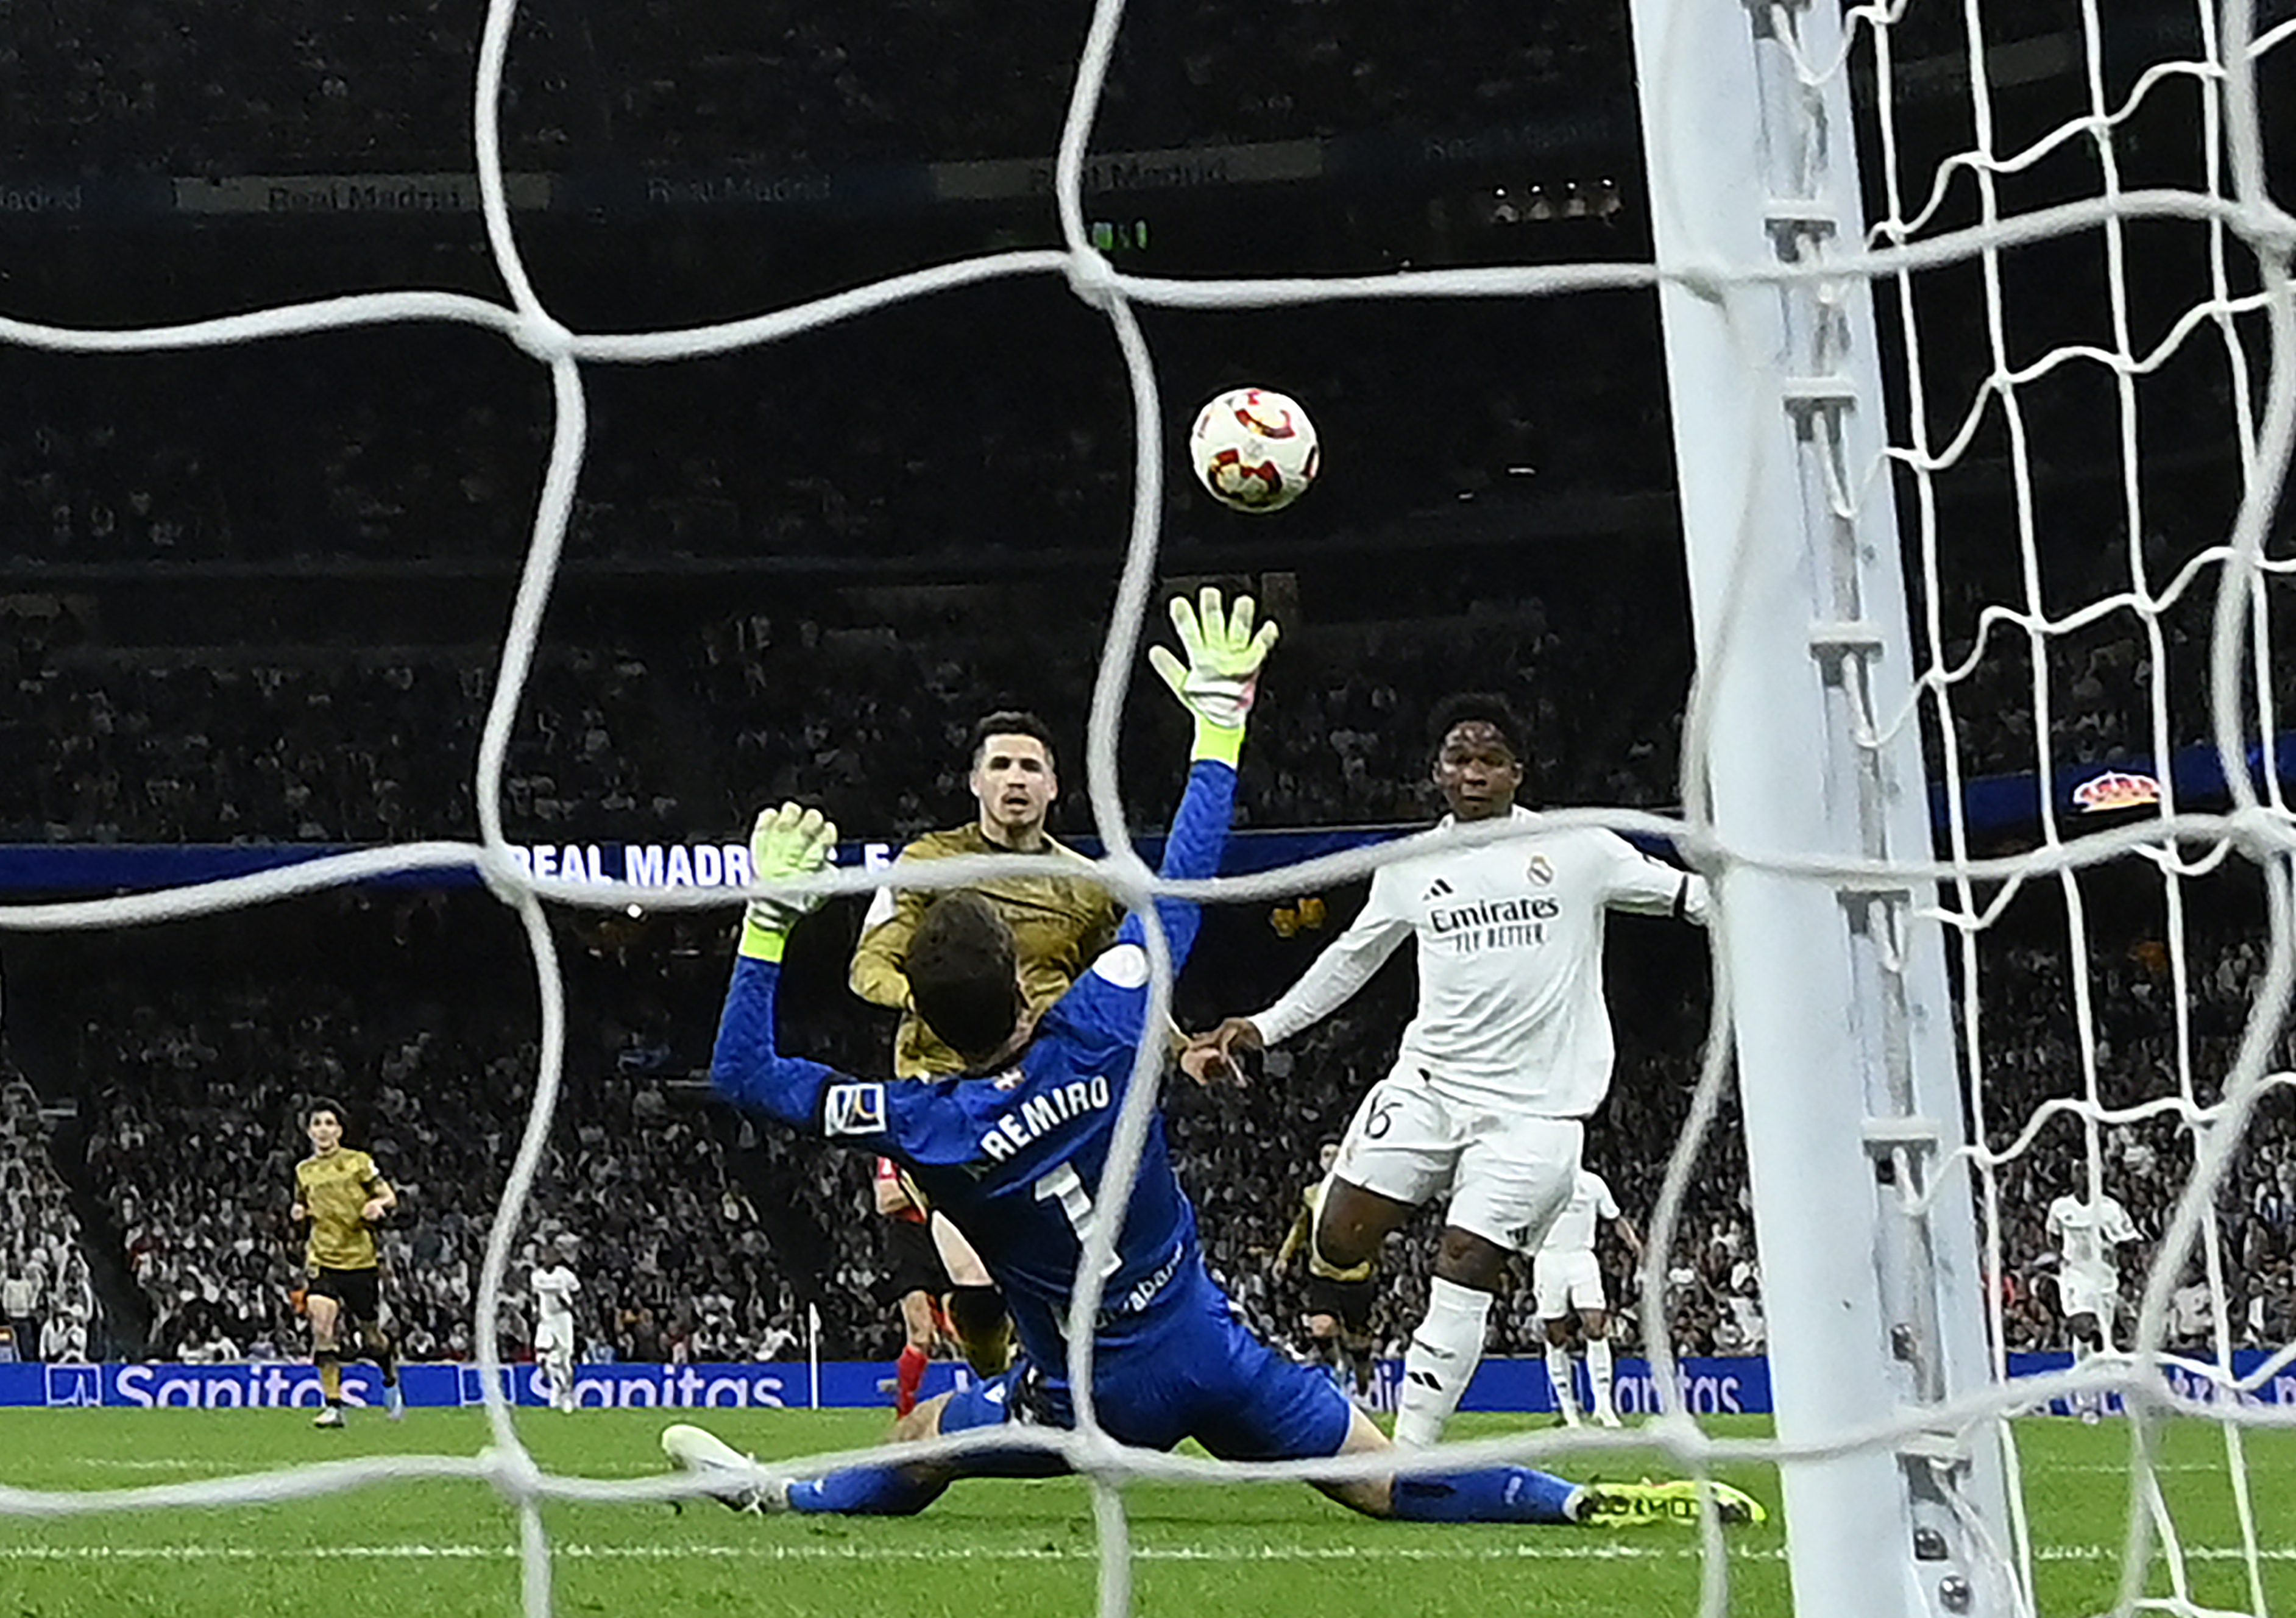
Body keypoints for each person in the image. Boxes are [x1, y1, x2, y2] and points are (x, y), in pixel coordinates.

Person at [670, 592, 1762, 1531]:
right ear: (1022, 975)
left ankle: (785, 1499)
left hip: (1090, 1402)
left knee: (921, 1439)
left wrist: (767, 922)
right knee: (1379, 1478)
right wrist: (1219, 725)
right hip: (1207, 1347)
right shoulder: (1100, 1023)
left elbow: (745, 1078)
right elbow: (1186, 882)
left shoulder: (917, 1121)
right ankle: (1559, 1500)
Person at [1185, 694, 1709, 1447]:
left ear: (1516, 772)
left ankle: (1409, 1449)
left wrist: (1749, 894)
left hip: (1537, 1112)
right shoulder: (1412, 866)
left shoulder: (1580, 849)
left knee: (1464, 1258)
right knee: (1338, 1238)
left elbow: (1689, 898)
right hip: (1428, 1087)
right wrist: (1262, 1025)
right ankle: (1348, 1319)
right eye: (1459, 759)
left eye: (1489, 759)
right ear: (1437, 772)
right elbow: (1351, 958)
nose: (1472, 772)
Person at [849, 709, 1126, 1374]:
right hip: (945, 1094)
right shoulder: (927, 863)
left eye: (1030, 766)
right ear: (975, 781)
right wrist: (941, 1001)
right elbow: (868, 969)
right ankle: (994, 1371)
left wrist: (1182, 1049)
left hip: (1048, 1095)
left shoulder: (1086, 886)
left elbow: (1121, 984)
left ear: (1055, 787)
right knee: (975, 1275)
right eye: (1000, 765)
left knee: (1064, 1269)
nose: (1015, 779)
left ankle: (1042, 1384)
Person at [290, 1099, 404, 1428]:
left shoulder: (359, 1163)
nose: (323, 1130)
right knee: (322, 1326)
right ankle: (334, 1406)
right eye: (317, 1124)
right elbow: (302, 1205)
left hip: (359, 1260)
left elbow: (389, 1196)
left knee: (371, 1337)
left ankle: (389, 1377)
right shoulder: (304, 1171)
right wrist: (298, 1213)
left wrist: (378, 1205)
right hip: (322, 1259)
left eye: (329, 1123)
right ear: (309, 1131)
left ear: (339, 1130)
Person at [1533, 1165, 1642, 1428]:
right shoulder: (1540, 1182)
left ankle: (1604, 1406)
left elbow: (1614, 1217)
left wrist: (1633, 1242)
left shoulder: (1593, 1184)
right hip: (1550, 1258)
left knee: (1596, 1326)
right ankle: (1569, 1409)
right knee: (1556, 1335)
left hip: (1582, 1258)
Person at [1274, 1141, 1378, 1401]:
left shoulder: (1359, 1191)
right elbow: (1301, 1228)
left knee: (1358, 1338)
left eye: (1335, 1154)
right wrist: (1284, 1256)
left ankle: (1361, 1365)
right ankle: (1337, 1367)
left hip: (1356, 1274)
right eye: (1326, 1155)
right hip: (1321, 1272)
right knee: (1320, 1327)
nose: (1330, 1159)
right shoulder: (1312, 1194)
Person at [2045, 1182, 2138, 1421]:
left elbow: (2129, 1241)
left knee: (2098, 1344)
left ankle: (2124, 1389)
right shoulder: (2061, 1206)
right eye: (2077, 1169)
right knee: (2083, 1328)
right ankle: (2087, 1405)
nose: (2081, 1175)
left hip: (2105, 1280)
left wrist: (2126, 1269)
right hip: (2074, 1276)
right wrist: (2060, 1258)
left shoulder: (2110, 1208)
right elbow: (2053, 1234)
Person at [874, 1156, 948, 1418]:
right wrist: (928, 1190)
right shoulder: (892, 1156)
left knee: (962, 1329)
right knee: (921, 1333)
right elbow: (885, 1201)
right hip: (908, 1242)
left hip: (941, 1235)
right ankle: (904, 1411)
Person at [532, 1237, 583, 1413]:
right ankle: (558, 1388)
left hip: (563, 1319)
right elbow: (535, 1296)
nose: (547, 1257)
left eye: (551, 1254)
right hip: (546, 1320)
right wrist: (534, 1311)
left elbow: (577, 1292)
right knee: (542, 1357)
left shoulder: (564, 1274)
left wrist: (570, 1305)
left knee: (564, 1360)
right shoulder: (536, 1275)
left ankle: (563, 1395)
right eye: (545, 1254)